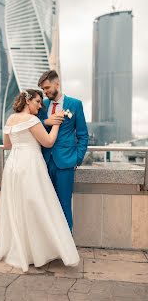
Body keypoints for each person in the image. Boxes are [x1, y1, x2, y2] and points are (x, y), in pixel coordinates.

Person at [0, 89, 79, 272]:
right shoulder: (32, 120)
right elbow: (48, 142)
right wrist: (56, 123)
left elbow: (7, 145)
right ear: (27, 100)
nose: (40, 106)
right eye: (38, 102)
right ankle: (37, 250)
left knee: (18, 207)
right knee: (38, 205)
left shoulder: (10, 119)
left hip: (13, 167)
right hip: (30, 165)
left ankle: (23, 248)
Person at [38, 70, 89, 233]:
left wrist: (77, 159)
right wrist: (47, 121)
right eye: (43, 89)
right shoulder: (42, 105)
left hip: (66, 163)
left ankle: (66, 249)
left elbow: (83, 135)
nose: (45, 92)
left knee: (64, 205)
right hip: (43, 163)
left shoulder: (75, 104)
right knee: (46, 206)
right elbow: (35, 125)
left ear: (57, 83)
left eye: (46, 88)